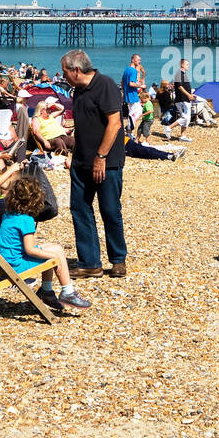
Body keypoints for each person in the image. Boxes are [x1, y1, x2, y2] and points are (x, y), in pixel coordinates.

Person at [61, 50, 128, 279]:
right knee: (80, 209)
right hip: (81, 160)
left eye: (65, 72)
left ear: (76, 70)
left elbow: (115, 124)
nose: (63, 76)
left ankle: (118, 259)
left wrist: (100, 157)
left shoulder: (105, 85)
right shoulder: (77, 91)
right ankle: (90, 262)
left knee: (110, 210)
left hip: (106, 162)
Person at [0, 176, 91, 311]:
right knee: (54, 254)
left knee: (56, 248)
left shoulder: (9, 214)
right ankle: (67, 292)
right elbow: (30, 250)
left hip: (7, 260)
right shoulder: (26, 220)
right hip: (16, 265)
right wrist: (53, 257)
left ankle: (46, 291)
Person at [164, 59, 194, 143]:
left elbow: (185, 86)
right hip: (181, 99)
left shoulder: (183, 74)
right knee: (185, 117)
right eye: (187, 64)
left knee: (187, 118)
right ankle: (169, 127)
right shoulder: (179, 74)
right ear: (182, 65)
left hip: (185, 99)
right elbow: (180, 87)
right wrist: (188, 95)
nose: (188, 66)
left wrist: (191, 94)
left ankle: (183, 136)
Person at [122, 53, 144, 129]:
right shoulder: (134, 71)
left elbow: (122, 82)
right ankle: (129, 125)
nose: (139, 62)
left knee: (132, 111)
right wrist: (141, 85)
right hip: (133, 95)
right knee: (139, 111)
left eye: (140, 60)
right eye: (138, 60)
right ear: (132, 60)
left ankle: (129, 131)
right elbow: (131, 83)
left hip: (127, 95)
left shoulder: (126, 69)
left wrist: (124, 94)